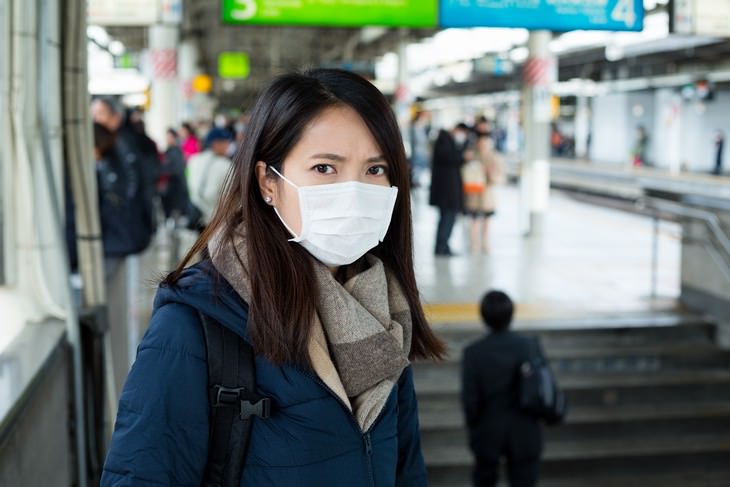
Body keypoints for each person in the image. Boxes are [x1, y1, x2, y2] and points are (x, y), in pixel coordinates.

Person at [101, 68, 446, 487]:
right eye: (324, 168)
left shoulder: (387, 318)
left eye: (375, 170)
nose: (354, 190)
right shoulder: (193, 327)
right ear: (268, 181)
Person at [461, 290, 544, 487]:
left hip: (488, 432)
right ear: (511, 314)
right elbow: (541, 386)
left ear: (483, 317)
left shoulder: (473, 352)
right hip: (525, 431)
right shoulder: (530, 345)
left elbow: (470, 400)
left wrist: (474, 427)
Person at [429, 122, 470, 256]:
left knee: (448, 218)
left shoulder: (447, 140)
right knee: (447, 218)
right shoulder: (443, 140)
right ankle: (441, 247)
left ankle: (444, 246)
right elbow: (450, 158)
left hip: (448, 189)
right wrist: (463, 155)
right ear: (457, 129)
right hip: (446, 190)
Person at [186, 126, 233, 228]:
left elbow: (190, 186)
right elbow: (230, 196)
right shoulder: (225, 165)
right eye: (226, 142)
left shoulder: (193, 160)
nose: (228, 146)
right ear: (216, 144)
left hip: (196, 214)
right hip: (215, 220)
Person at [463, 133, 503, 254]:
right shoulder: (471, 155)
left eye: (485, 142)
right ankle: (474, 243)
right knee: (474, 219)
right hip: (473, 193)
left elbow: (500, 176)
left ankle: (485, 242)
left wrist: (491, 175)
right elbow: (465, 172)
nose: (483, 145)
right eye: (481, 142)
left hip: (487, 195)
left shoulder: (495, 157)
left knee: (487, 220)